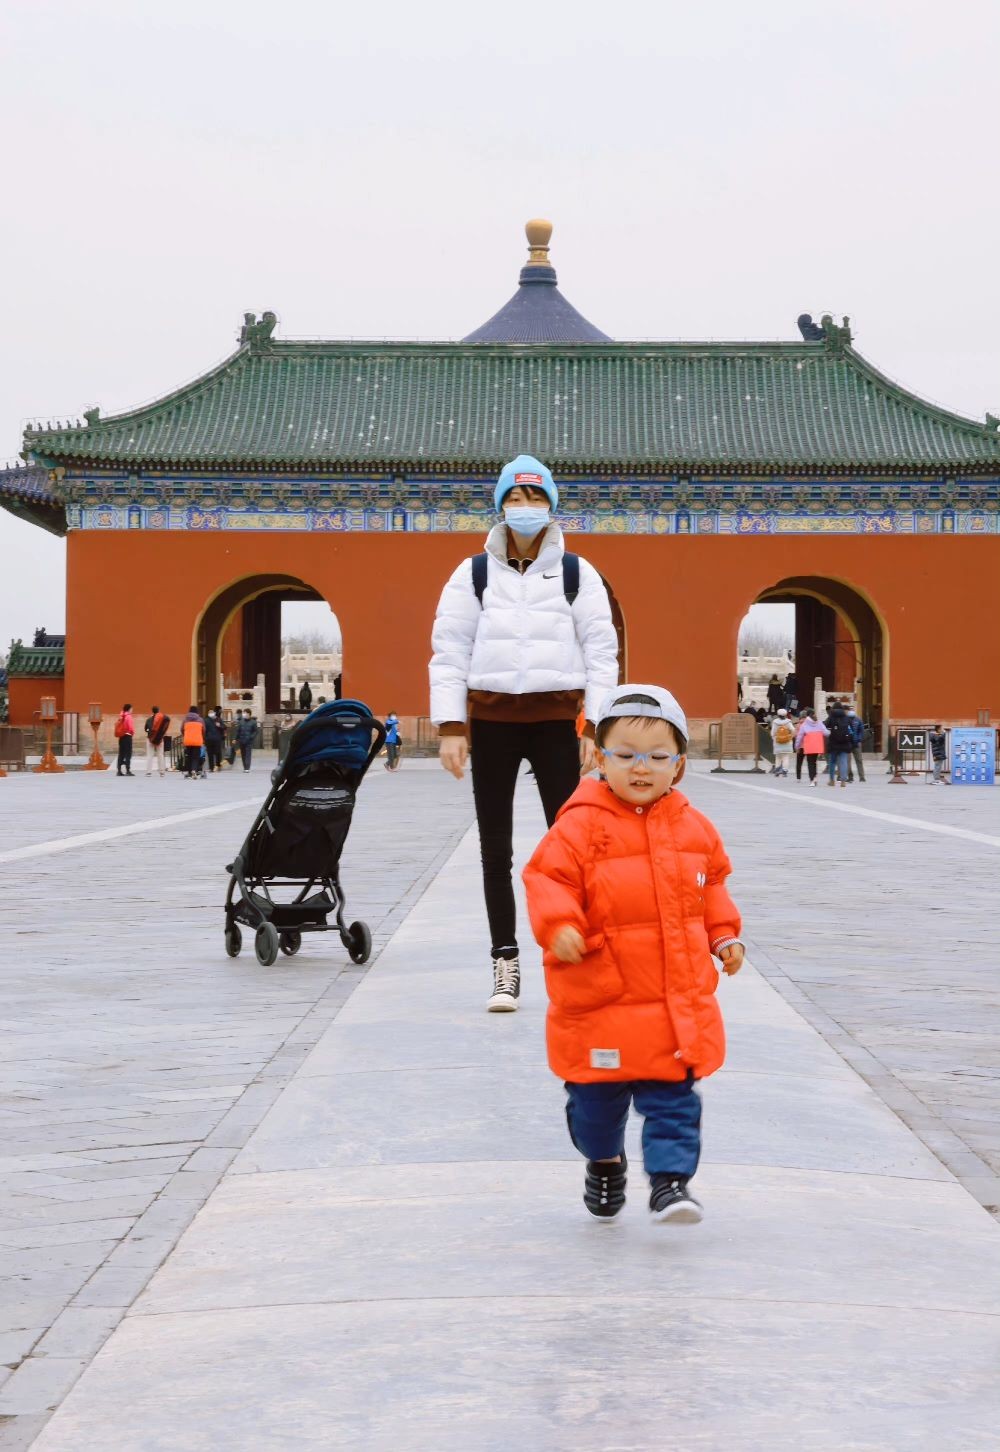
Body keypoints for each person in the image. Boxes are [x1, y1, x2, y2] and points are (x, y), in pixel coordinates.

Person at [523, 685, 744, 1225]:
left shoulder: (695, 829)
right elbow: (546, 878)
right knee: (596, 1109)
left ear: (680, 766)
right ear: (601, 760)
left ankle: (671, 1184)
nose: (640, 768)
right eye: (625, 755)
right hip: (603, 993)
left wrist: (724, 936)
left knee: (674, 1100)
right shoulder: (578, 824)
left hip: (672, 998)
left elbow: (710, 887)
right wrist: (559, 925)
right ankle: (604, 1160)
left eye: (657, 757)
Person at [430, 453, 619, 1013]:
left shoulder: (576, 573)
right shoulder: (473, 573)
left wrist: (598, 727)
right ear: (500, 505)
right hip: (492, 723)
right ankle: (504, 961)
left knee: (571, 847)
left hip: (556, 722)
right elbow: (450, 650)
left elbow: (601, 651)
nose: (526, 508)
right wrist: (451, 726)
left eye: (536, 499)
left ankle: (576, 954)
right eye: (516, 498)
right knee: (495, 850)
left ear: (552, 506)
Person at [824, 698, 854, 788]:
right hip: (844, 742)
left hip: (833, 742)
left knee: (832, 762)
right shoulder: (846, 717)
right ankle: (843, 781)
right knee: (843, 761)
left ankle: (832, 780)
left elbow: (825, 725)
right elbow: (851, 729)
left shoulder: (831, 716)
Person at [795, 708, 828, 786]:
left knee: (810, 763)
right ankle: (815, 777)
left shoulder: (804, 724)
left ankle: (812, 780)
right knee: (814, 762)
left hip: (809, 746)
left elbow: (799, 736)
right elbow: (826, 733)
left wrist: (797, 746)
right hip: (817, 746)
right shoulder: (819, 723)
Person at [143, 705, 170, 777]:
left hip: (150, 739)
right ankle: (162, 772)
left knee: (149, 755)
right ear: (159, 711)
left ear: (152, 711)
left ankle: (148, 772)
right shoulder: (161, 719)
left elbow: (145, 729)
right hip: (160, 739)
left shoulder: (148, 719)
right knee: (160, 755)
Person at [769, 707, 795, 777]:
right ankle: (784, 771)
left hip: (777, 742)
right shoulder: (788, 722)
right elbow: (793, 730)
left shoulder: (775, 722)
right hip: (787, 742)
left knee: (778, 757)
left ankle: (777, 771)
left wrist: (774, 738)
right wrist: (790, 737)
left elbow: (772, 733)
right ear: (785, 714)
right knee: (785, 757)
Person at [181, 706, 205, 778]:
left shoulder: (185, 720)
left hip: (188, 741)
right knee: (195, 757)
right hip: (197, 741)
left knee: (189, 756)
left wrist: (185, 735)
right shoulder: (200, 720)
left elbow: (182, 729)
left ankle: (189, 772)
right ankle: (194, 770)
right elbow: (203, 730)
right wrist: (202, 737)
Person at [846, 707, 866, 783]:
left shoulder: (858, 720)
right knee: (848, 761)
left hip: (857, 743)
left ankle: (862, 777)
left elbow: (861, 730)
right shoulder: (845, 720)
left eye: (852, 709)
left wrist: (859, 739)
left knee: (859, 760)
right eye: (850, 709)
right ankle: (850, 776)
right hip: (848, 743)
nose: (851, 711)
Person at [114, 703, 135, 777]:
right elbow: (130, 727)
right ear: (129, 709)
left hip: (121, 737)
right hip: (127, 736)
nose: (132, 710)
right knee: (128, 754)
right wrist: (132, 733)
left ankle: (119, 770)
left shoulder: (121, 716)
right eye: (132, 708)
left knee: (121, 753)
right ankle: (128, 770)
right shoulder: (128, 716)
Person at [204, 708, 225, 773]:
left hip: (217, 739)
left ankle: (218, 764)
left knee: (218, 752)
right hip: (209, 739)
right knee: (210, 754)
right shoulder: (206, 720)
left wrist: (219, 726)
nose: (211, 714)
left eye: (212, 712)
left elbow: (224, 727)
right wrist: (204, 738)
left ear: (214, 713)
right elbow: (204, 730)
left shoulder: (218, 719)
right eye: (210, 713)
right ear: (208, 714)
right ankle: (211, 767)